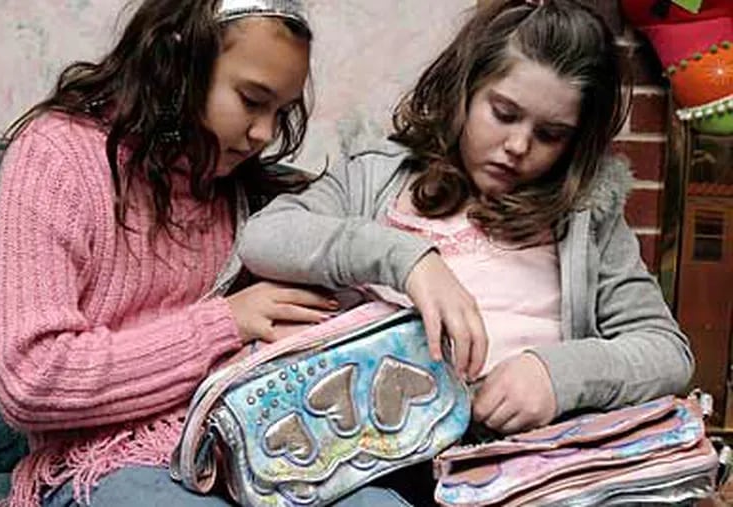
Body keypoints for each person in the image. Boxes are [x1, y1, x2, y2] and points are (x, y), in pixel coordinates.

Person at [0, 1, 411, 506]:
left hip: (246, 449)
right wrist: (225, 324)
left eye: (280, 112)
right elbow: (31, 380)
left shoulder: (247, 195)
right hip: (101, 463)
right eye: (252, 101)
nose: (266, 134)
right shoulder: (57, 156)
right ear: (177, 63)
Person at [239, 0, 695, 440]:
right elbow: (265, 237)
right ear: (465, 90)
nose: (518, 145)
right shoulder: (376, 174)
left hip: (518, 459)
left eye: (550, 135)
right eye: (503, 114)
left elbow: (667, 352)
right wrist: (411, 261)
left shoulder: (586, 217)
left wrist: (558, 374)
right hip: (380, 453)